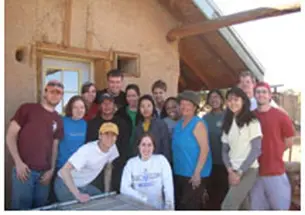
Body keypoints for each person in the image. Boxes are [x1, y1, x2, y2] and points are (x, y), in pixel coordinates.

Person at [6, 80, 64, 210]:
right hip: (24, 172)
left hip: (44, 174)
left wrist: (51, 169)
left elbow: (55, 147)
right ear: (45, 92)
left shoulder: (58, 119)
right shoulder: (27, 109)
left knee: (41, 209)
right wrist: (18, 163)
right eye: (52, 91)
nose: (55, 95)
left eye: (59, 93)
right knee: (21, 209)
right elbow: (10, 136)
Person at [251, 82, 295, 210]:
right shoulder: (249, 116)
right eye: (258, 92)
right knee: (256, 209)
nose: (261, 95)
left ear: (270, 95)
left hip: (275, 171)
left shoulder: (281, 116)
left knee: (280, 208)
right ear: (254, 95)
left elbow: (289, 140)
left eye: (264, 92)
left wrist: (275, 151)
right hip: (254, 172)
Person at [54, 123, 119, 203]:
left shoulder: (113, 147)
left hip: (83, 185)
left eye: (113, 135)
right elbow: (64, 171)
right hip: (64, 183)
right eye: (106, 134)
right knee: (80, 207)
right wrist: (78, 195)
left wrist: (106, 192)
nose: (110, 138)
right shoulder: (87, 150)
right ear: (100, 136)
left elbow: (108, 168)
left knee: (101, 201)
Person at [221, 87, 262, 210]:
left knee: (227, 207)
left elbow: (256, 149)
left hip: (248, 170)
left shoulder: (252, 121)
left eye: (236, 99)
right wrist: (230, 171)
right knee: (243, 207)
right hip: (232, 170)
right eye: (229, 100)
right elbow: (224, 150)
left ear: (243, 101)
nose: (232, 102)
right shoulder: (228, 122)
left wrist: (239, 172)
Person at [172, 90, 212, 210]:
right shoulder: (178, 124)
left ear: (195, 107)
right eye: (182, 104)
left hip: (193, 175)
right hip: (180, 173)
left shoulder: (198, 124)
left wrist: (197, 174)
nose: (184, 107)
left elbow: (205, 149)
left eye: (188, 104)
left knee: (189, 207)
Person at [86, 93, 130, 193]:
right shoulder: (92, 124)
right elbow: (90, 146)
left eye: (109, 103)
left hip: (117, 167)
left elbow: (125, 147)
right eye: (104, 103)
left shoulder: (122, 123)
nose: (107, 106)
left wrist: (115, 163)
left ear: (114, 105)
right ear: (100, 106)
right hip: (97, 169)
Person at [120, 133, 174, 210]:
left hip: (157, 208)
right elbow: (124, 188)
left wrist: (169, 208)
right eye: (143, 144)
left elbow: (168, 188)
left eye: (149, 145)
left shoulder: (161, 161)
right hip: (137, 208)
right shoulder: (131, 163)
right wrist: (141, 197)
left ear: (153, 147)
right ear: (138, 146)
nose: (146, 148)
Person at [203, 89, 228, 210]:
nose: (214, 100)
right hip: (209, 163)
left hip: (224, 163)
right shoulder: (205, 118)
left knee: (223, 194)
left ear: (222, 100)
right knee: (211, 195)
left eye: (217, 97)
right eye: (211, 97)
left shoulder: (228, 116)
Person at [134, 95, 171, 162]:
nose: (145, 109)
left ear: (153, 107)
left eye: (148, 106)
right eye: (142, 106)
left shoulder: (161, 124)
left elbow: (166, 148)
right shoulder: (138, 126)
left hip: (158, 163)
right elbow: (136, 148)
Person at [56, 96, 87, 170]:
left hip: (79, 168)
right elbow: (54, 144)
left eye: (82, 107)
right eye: (75, 107)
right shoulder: (62, 122)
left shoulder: (86, 124)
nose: (79, 110)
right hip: (62, 166)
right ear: (70, 109)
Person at [115, 84, 141, 159]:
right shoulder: (120, 113)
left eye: (134, 96)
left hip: (141, 150)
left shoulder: (143, 111)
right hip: (124, 151)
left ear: (138, 96)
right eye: (128, 96)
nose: (131, 98)